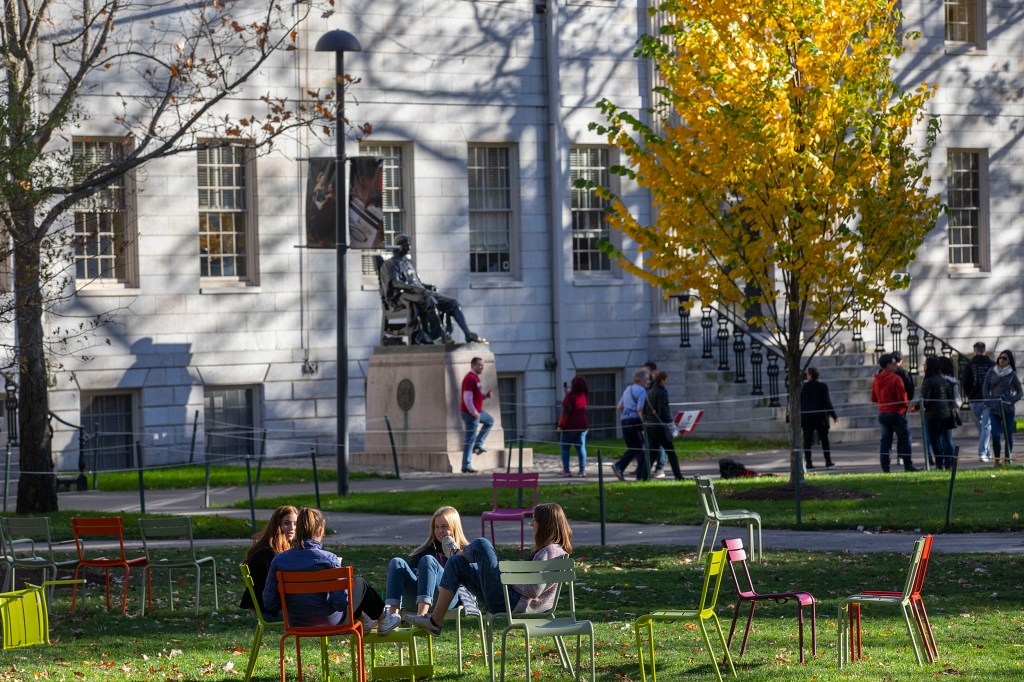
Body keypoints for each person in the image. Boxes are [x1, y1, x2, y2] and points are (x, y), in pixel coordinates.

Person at [403, 503, 573, 635]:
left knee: (482, 545)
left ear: (545, 524)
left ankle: (458, 552)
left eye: (535, 520)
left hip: (513, 603)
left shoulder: (549, 550)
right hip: (510, 601)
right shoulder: (553, 550)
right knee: (455, 563)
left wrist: (506, 577)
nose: (531, 523)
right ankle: (435, 621)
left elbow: (534, 589)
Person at [263, 508, 401, 633]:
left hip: (295, 622)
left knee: (352, 586)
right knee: (359, 583)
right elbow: (340, 604)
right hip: (328, 621)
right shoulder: (329, 559)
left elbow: (269, 602)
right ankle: (384, 619)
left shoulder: (279, 560)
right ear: (320, 530)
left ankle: (367, 620)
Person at [384, 235, 484, 345]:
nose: (409, 248)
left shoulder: (409, 263)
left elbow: (417, 282)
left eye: (410, 245)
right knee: (430, 301)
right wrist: (413, 288)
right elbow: (394, 283)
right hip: (405, 294)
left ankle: (468, 334)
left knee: (453, 303)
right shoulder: (390, 264)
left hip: (421, 292)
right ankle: (443, 335)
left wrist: (426, 286)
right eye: (407, 245)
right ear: (399, 246)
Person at [384, 506, 472, 618]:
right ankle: (392, 617)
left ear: (455, 527)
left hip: (448, 598)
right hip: (416, 599)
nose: (440, 531)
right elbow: (413, 573)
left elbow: (471, 581)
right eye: (436, 527)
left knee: (428, 560)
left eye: (444, 527)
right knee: (396, 562)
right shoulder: (424, 551)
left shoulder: (465, 551)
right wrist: (426, 575)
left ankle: (422, 616)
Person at [239, 505, 298, 616]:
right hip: (267, 608)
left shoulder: (285, 548)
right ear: (277, 525)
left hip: (270, 603)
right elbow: (281, 583)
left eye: (295, 524)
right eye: (286, 523)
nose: (292, 528)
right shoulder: (270, 552)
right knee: (313, 609)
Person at [871, 354, 918, 473]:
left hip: (883, 412)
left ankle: (885, 468)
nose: (896, 365)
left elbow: (873, 398)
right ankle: (908, 465)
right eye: (893, 363)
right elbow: (902, 398)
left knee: (885, 441)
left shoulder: (877, 379)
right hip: (896, 413)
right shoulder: (896, 379)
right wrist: (905, 405)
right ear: (887, 365)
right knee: (905, 439)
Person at [641, 371, 684, 480]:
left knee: (652, 453)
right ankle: (678, 476)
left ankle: (644, 476)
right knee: (671, 452)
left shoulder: (649, 392)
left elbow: (644, 410)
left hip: (650, 426)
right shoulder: (662, 392)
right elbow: (663, 411)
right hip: (659, 426)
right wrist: (671, 424)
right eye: (666, 380)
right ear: (662, 380)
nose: (667, 382)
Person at [984, 349, 1022, 465]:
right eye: (1000, 358)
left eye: (1004, 358)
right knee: (995, 435)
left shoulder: (1012, 374)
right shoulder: (991, 371)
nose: (1001, 360)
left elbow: (1020, 392)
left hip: (1007, 410)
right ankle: (997, 461)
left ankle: (1007, 459)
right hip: (994, 409)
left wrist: (1011, 401)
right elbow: (985, 388)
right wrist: (988, 401)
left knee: (1007, 435)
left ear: (1009, 360)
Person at [611, 369, 649, 482]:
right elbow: (639, 409)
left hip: (624, 420)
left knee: (633, 448)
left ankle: (620, 467)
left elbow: (619, 406)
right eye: (647, 379)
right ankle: (640, 477)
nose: (648, 381)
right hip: (635, 421)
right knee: (641, 450)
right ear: (641, 379)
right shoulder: (642, 390)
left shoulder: (628, 389)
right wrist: (644, 424)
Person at [961, 342, 995, 462]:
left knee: (983, 428)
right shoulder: (991, 364)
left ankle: (985, 451)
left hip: (974, 399)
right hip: (988, 399)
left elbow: (964, 382)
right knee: (986, 427)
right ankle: (985, 452)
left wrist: (969, 395)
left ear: (974, 351)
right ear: (984, 350)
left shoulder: (969, 365)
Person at [459, 356, 494, 474]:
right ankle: (466, 465)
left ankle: (478, 445)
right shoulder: (469, 378)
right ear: (473, 365)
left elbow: (476, 396)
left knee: (490, 421)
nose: (482, 367)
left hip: (478, 412)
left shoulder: (475, 378)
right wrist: (474, 413)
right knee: (469, 439)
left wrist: (486, 396)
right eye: (480, 365)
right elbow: (467, 398)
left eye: (482, 365)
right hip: (471, 413)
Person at [800, 367, 838, 470]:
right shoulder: (822, 386)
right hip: (820, 418)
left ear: (810, 375)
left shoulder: (803, 387)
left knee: (807, 441)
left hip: (807, 417)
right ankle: (828, 461)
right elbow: (827, 402)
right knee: (824, 440)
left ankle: (809, 463)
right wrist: (833, 415)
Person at [920, 356, 954, 469]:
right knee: (945, 438)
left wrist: (918, 407)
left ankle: (940, 464)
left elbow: (924, 398)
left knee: (935, 440)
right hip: (946, 413)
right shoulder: (943, 379)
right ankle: (948, 462)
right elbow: (950, 396)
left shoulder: (928, 381)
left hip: (934, 414)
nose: (924, 366)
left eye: (925, 364)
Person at [558, 376, 589, 478]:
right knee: (581, 448)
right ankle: (582, 470)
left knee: (565, 448)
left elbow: (566, 411)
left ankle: (566, 470)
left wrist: (560, 425)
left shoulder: (570, 396)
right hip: (582, 426)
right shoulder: (584, 395)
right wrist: (567, 393)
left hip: (569, 426)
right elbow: (576, 403)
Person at [643, 361, 668, 478]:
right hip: (653, 421)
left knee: (659, 446)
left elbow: (662, 407)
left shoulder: (655, 388)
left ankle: (659, 468)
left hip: (656, 421)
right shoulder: (652, 387)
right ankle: (649, 469)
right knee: (655, 446)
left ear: (653, 372)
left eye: (646, 371)